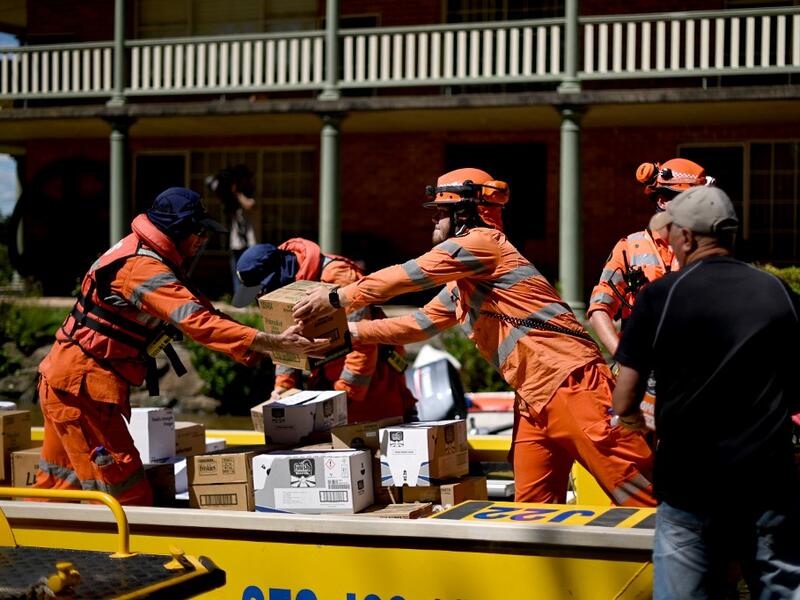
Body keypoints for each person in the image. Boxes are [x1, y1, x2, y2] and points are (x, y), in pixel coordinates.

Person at [294, 168, 655, 506]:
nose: (433, 218)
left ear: (466, 213)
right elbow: (419, 324)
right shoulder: (465, 278)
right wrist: (350, 333)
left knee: (637, 491)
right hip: (535, 396)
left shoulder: (481, 244)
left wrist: (335, 297)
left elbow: (410, 275)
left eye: (441, 211)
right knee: (532, 510)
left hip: (573, 384)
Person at [35, 187, 327, 506]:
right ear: (177, 230)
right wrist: (275, 343)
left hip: (67, 382)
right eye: (198, 231)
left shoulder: (153, 258)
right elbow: (198, 322)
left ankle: (26, 543)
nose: (203, 240)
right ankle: (117, 555)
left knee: (56, 486)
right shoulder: (142, 269)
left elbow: (206, 312)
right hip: (82, 390)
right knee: (126, 496)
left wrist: (266, 348)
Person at [612, 186, 800, 599]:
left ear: (687, 237)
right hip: (768, 484)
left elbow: (624, 399)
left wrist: (635, 424)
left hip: (690, 487)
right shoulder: (777, 292)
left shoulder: (661, 296)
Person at [231, 238, 418, 423]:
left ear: (275, 276)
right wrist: (283, 388)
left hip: (373, 382)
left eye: (260, 292)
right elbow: (287, 342)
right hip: (327, 381)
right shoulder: (282, 287)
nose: (260, 298)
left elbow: (363, 342)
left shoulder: (338, 275)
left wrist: (345, 395)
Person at [587, 158, 712, 429]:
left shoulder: (705, 251)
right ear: (663, 201)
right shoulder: (628, 248)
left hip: (692, 375)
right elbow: (599, 309)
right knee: (633, 452)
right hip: (639, 376)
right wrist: (624, 355)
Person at [206, 165, 257, 293]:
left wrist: (237, 193)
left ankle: (251, 297)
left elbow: (250, 205)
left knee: (251, 270)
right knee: (237, 270)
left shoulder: (250, 194)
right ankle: (239, 296)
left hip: (251, 242)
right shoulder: (233, 200)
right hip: (237, 242)